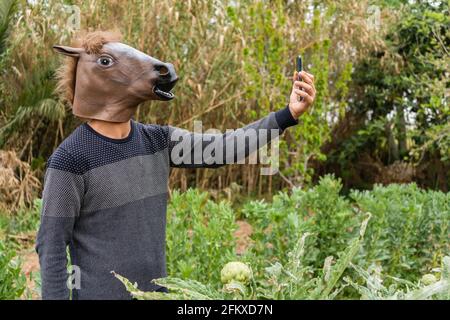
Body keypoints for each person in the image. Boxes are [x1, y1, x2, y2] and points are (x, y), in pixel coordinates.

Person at [36, 31, 316, 300]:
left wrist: (288, 114)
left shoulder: (158, 140)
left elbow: (223, 148)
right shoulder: (70, 160)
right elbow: (52, 248)